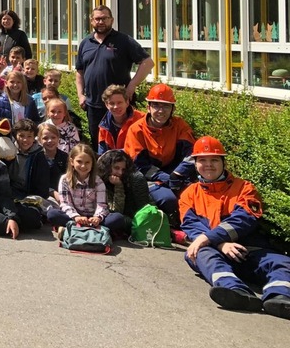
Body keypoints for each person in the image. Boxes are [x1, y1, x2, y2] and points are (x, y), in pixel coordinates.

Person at [179, 136, 290, 318]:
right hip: (214, 251)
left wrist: (211, 238)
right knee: (197, 252)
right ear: (195, 163)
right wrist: (220, 244)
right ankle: (236, 292)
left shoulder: (245, 188)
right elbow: (192, 226)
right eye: (202, 160)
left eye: (214, 160)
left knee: (283, 262)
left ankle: (279, 297)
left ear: (223, 162)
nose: (208, 165)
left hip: (249, 251)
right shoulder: (189, 194)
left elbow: (244, 219)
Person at [75, 5, 154, 142]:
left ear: (111, 20)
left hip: (119, 105)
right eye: (97, 19)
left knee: (124, 142)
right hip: (94, 105)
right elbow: (79, 71)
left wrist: (132, 86)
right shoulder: (85, 43)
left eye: (104, 18)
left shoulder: (124, 41)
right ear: (91, 20)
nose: (101, 22)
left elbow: (148, 63)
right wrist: (81, 95)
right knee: (98, 142)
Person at [121, 83, 195, 222]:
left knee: (193, 196)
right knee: (169, 199)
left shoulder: (180, 126)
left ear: (173, 108)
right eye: (156, 105)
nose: (161, 111)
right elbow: (139, 165)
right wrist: (167, 178)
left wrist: (177, 174)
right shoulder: (136, 130)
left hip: (176, 176)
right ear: (148, 107)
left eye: (166, 106)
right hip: (148, 179)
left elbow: (191, 155)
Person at [47, 143, 107, 235]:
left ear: (92, 163)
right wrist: (76, 216)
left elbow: (101, 204)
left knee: (116, 219)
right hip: (73, 215)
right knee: (52, 214)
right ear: (72, 162)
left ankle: (72, 228)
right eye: (79, 162)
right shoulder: (65, 179)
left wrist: (97, 217)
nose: (83, 166)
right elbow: (65, 203)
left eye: (87, 162)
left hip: (92, 216)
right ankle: (83, 227)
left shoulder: (98, 181)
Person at [96, 149, 152, 239]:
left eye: (123, 169)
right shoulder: (98, 181)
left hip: (130, 216)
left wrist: (119, 186)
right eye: (116, 168)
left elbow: (118, 212)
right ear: (106, 167)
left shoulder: (131, 179)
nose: (120, 173)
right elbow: (113, 211)